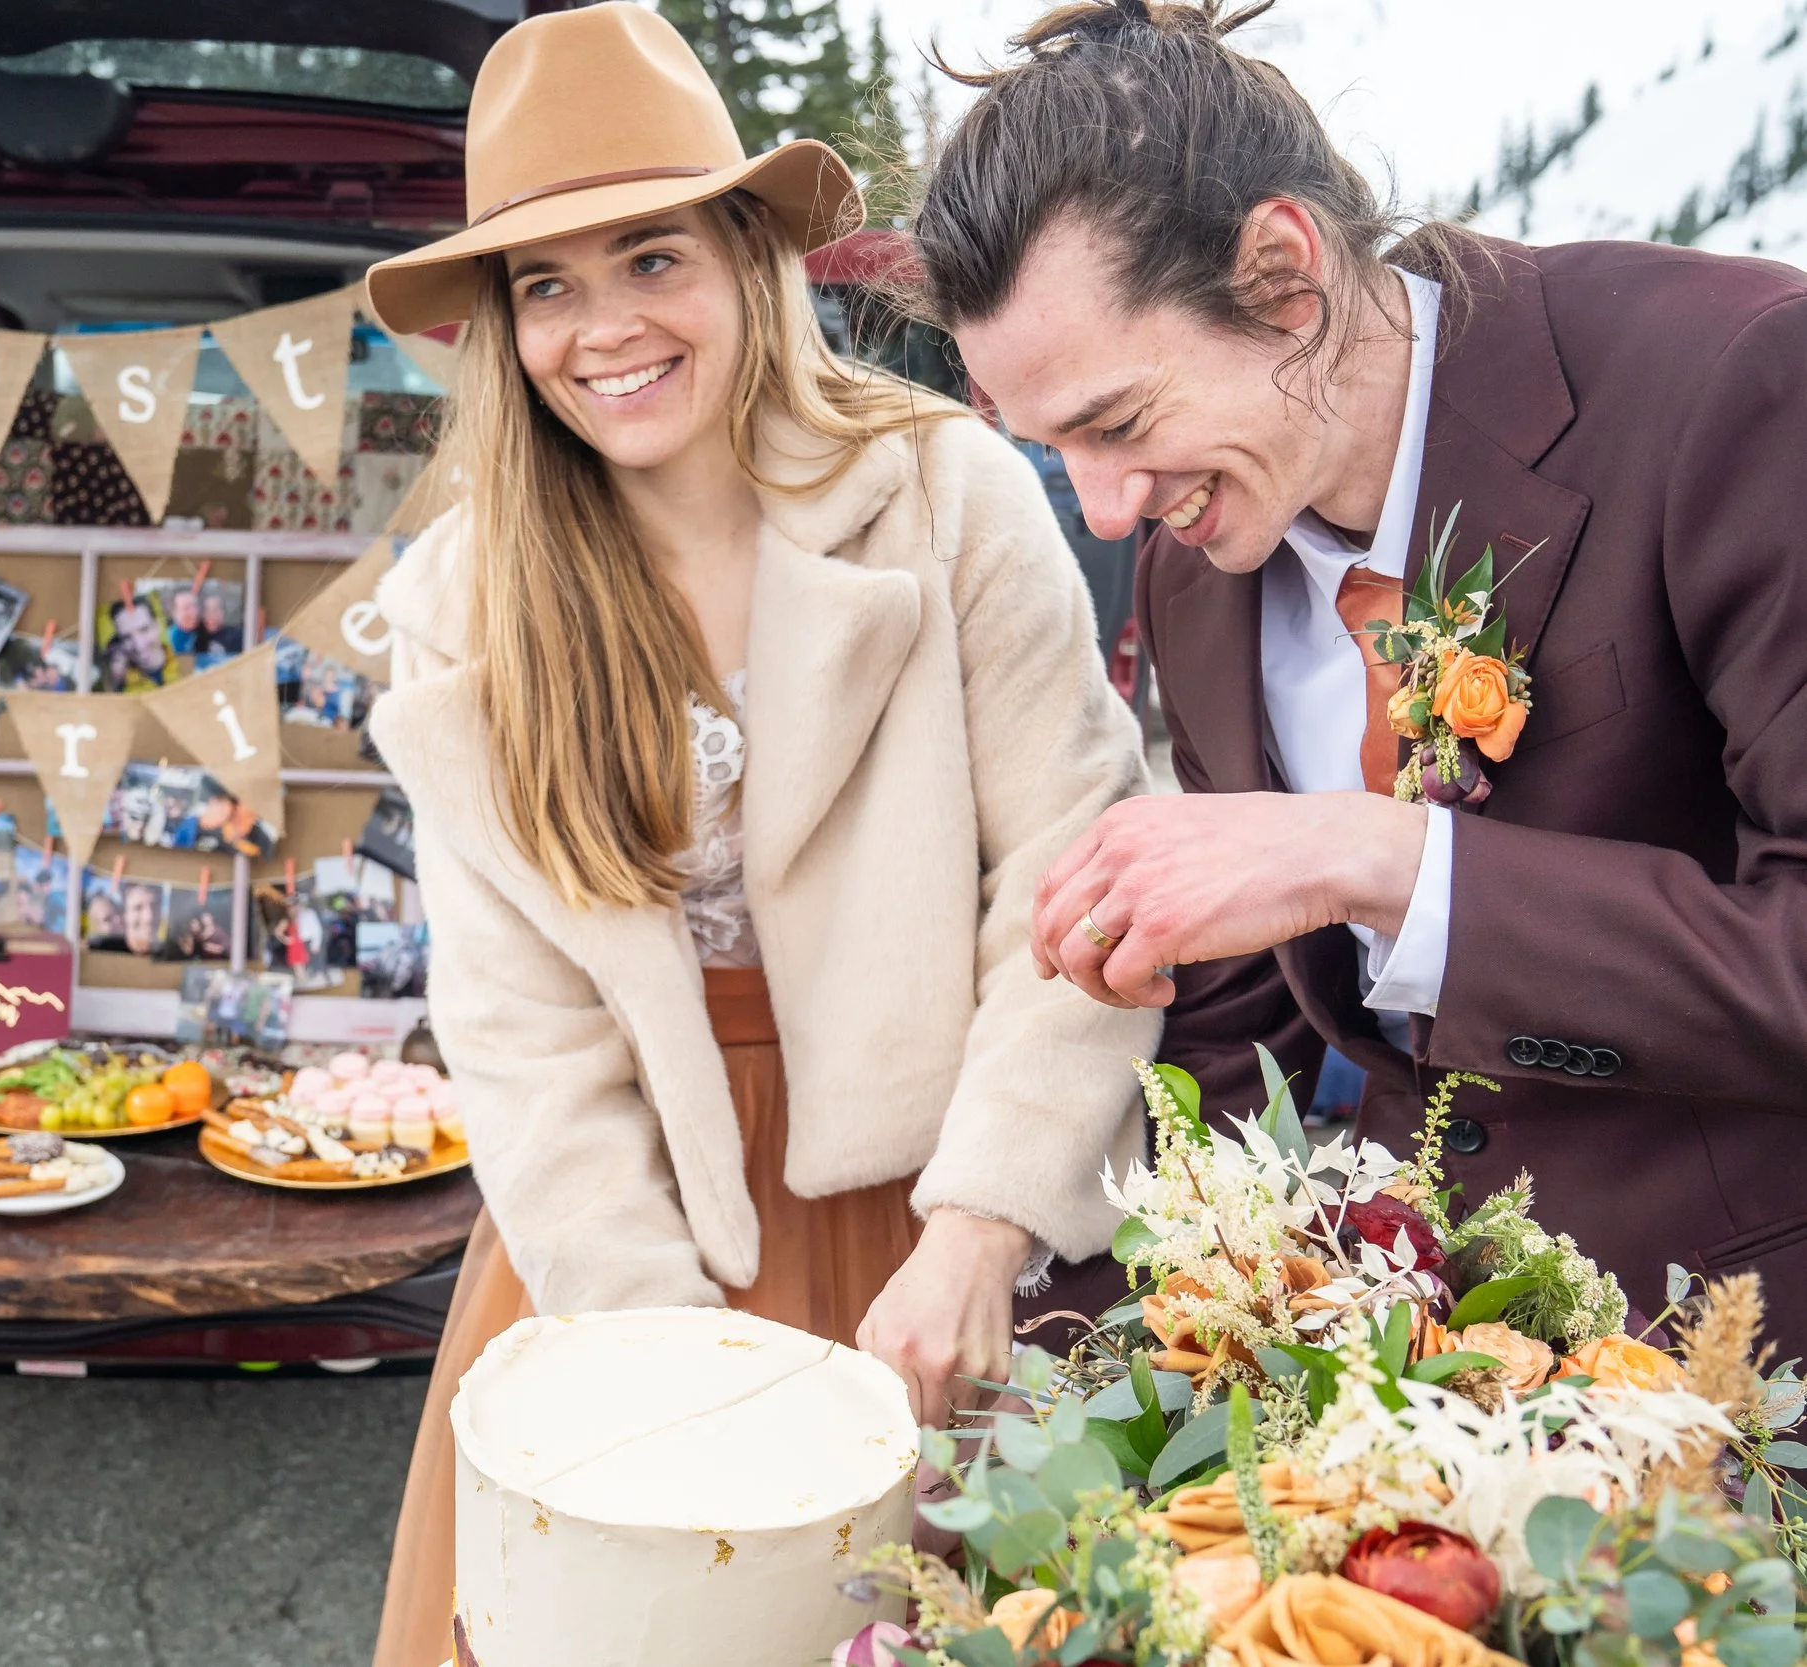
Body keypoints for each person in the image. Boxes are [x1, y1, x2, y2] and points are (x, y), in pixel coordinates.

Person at [356, 7, 1159, 1663]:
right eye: (546, 286)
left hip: (927, 1216)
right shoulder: (460, 604)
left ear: (745, 252)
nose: (604, 329)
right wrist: (662, 1367)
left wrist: (985, 1223)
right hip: (607, 1236)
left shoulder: (949, 495)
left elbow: (1075, 885)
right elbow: (517, 1030)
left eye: (650, 257)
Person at [916, 0, 1807, 1347]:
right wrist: (1032, 1268)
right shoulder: (1189, 570)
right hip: (1415, 1372)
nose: (1103, 509)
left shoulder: (1737, 378)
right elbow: (1239, 1021)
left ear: (1284, 272)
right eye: (1054, 446)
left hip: (1745, 1346)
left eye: (1119, 422)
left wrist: (1374, 855)